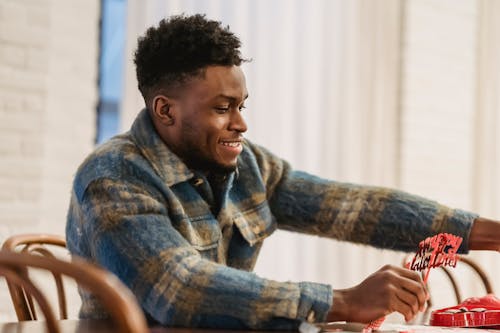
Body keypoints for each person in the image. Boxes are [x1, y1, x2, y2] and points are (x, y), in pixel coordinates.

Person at [66, 14, 500, 330]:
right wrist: (344, 301)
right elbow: (182, 290)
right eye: (222, 108)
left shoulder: (247, 163)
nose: (241, 123)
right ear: (165, 110)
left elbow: (350, 207)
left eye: (241, 106)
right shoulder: (113, 177)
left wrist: (492, 234)